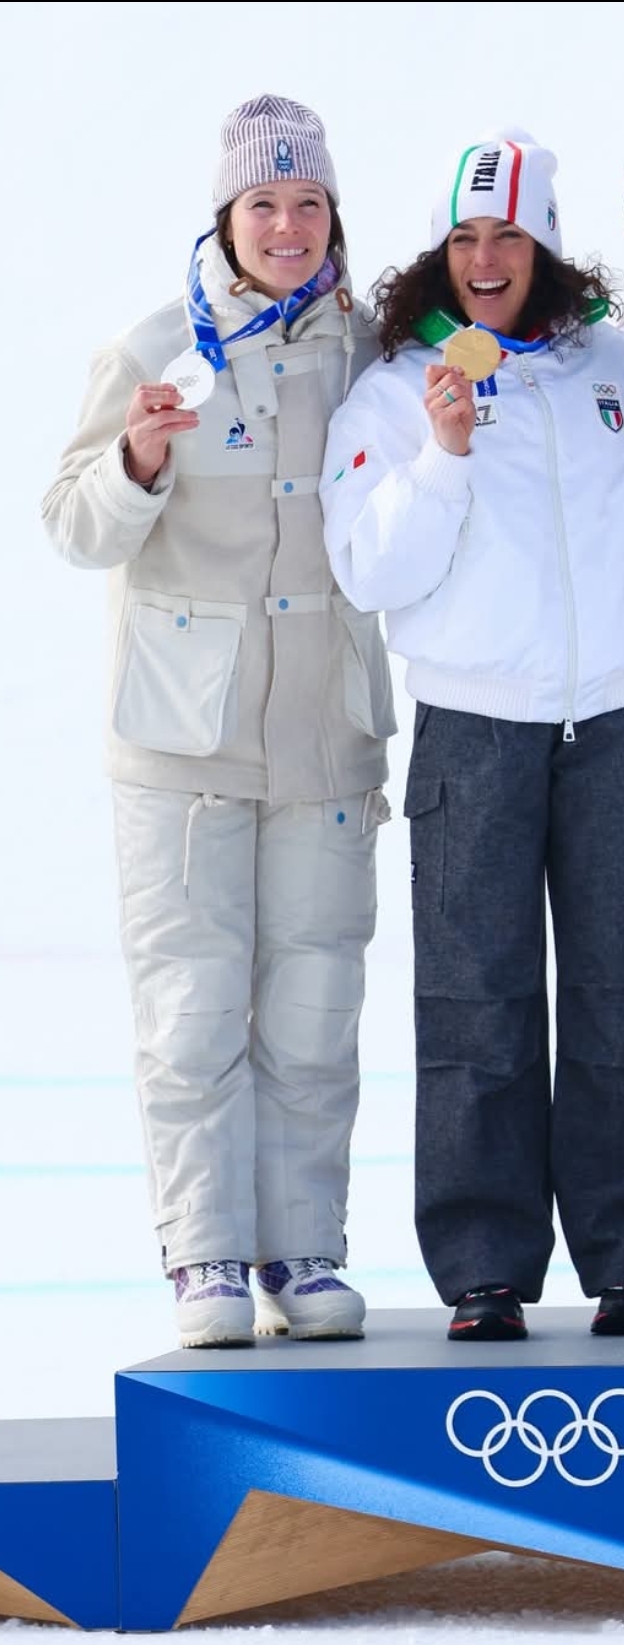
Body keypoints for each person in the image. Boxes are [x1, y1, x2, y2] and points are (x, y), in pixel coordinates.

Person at [321, 130, 624, 1342]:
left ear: (547, 248)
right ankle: (485, 1266)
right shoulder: (397, 387)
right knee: (476, 1002)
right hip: (475, 726)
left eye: (509, 237)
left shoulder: (611, 364)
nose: (486, 259)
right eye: (465, 238)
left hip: (622, 718)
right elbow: (370, 568)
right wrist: (445, 455)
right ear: (441, 253)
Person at [42, 94, 395, 1350]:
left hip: (326, 731)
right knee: (191, 1013)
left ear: (333, 214)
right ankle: (204, 1255)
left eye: (308, 204)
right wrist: (137, 461)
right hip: (181, 743)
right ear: (225, 216)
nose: (288, 227)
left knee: (315, 1008)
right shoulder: (153, 346)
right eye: (263, 204)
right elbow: (73, 524)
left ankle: (303, 1248)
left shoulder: (374, 351)